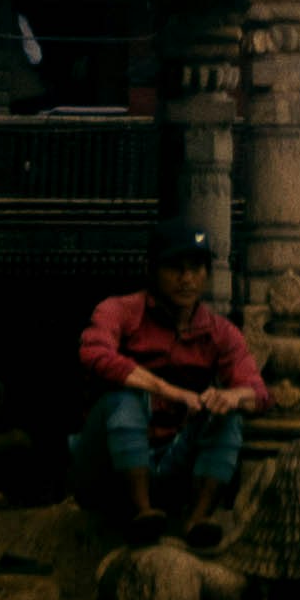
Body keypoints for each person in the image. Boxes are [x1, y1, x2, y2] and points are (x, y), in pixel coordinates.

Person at [71, 219, 268, 544]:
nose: (186, 278)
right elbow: (94, 354)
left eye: (195, 268)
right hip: (107, 468)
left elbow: (259, 393)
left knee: (227, 415)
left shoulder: (221, 332)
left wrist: (232, 397)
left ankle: (198, 520)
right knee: (125, 399)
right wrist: (172, 392)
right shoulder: (119, 310)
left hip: (172, 464)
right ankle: (142, 511)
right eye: (174, 268)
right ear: (152, 270)